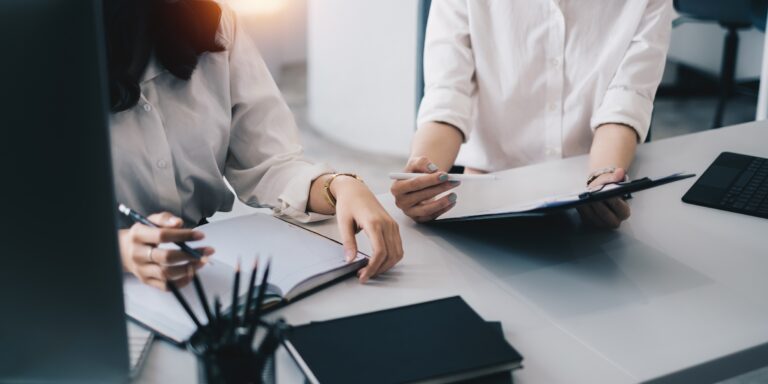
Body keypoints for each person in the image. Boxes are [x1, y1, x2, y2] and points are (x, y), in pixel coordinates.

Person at [104, 0, 403, 290]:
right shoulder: (62, 44)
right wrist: (119, 251)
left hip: (203, 271)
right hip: (99, 285)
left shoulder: (215, 23)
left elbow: (270, 164)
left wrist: (338, 186)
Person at [391, 0, 672, 227]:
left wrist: (602, 181)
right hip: (485, 197)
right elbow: (448, 96)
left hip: (587, 194)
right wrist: (421, 182)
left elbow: (627, 99)